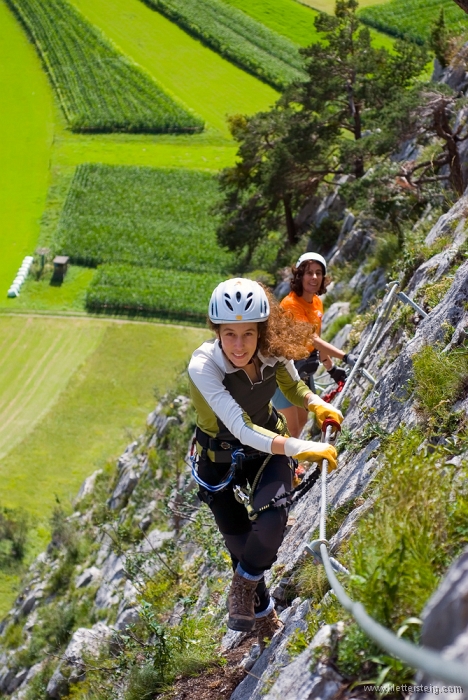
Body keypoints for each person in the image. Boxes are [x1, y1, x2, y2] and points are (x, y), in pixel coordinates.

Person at [188, 278, 343, 647]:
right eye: (229, 335)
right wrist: (298, 447)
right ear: (217, 332)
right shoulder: (203, 366)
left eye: (247, 334)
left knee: (273, 521)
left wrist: (317, 404)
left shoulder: (273, 349)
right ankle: (264, 616)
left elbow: (293, 388)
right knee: (242, 548)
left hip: (263, 448)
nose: (239, 346)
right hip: (219, 459)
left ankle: (242, 588)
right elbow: (240, 427)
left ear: (261, 330)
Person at [272, 252, 357, 438]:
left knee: (302, 420)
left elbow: (317, 340)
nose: (314, 277)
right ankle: (284, 465)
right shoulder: (290, 304)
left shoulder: (316, 303)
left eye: (319, 273)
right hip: (283, 370)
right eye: (309, 272)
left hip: (304, 368)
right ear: (300, 275)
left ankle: (291, 464)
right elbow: (312, 339)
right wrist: (344, 356)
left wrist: (331, 368)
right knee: (288, 427)